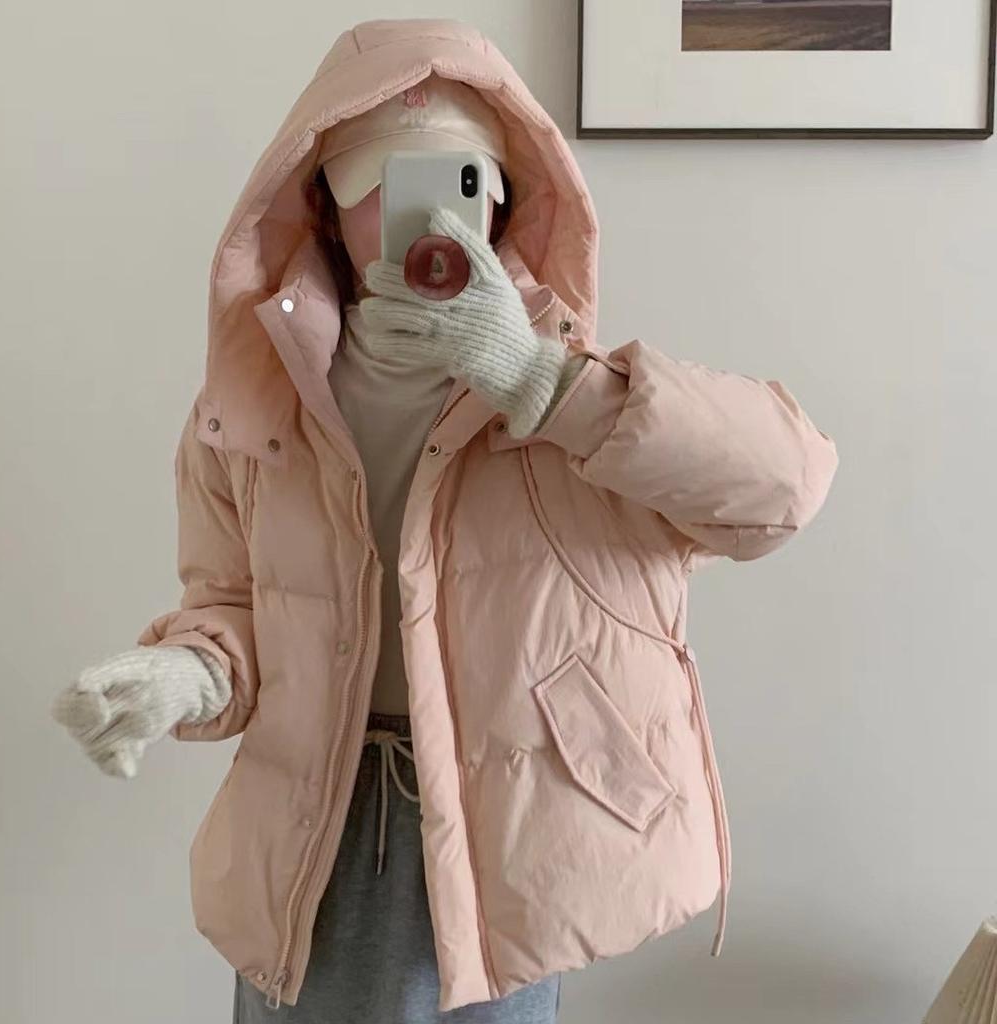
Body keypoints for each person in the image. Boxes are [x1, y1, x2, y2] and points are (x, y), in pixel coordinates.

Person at [50, 18, 840, 1023]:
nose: (422, 213)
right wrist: (188, 673)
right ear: (324, 205)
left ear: (502, 197)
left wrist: (540, 382)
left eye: (461, 179)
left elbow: (783, 489)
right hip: (312, 829)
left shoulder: (577, 394)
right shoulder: (253, 404)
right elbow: (237, 607)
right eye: (380, 181)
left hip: (504, 839)